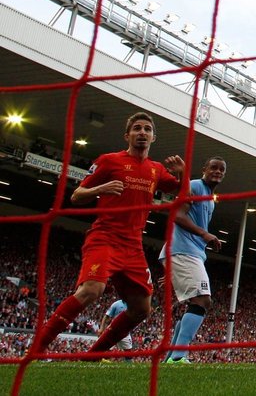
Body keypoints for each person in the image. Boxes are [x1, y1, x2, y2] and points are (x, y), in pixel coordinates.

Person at [29, 112, 184, 356]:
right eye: (137, 128)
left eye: (147, 129)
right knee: (92, 289)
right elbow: (76, 195)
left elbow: (183, 195)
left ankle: (94, 355)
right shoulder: (110, 161)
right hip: (105, 236)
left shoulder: (156, 170)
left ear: (153, 137)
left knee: (142, 309)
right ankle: (36, 349)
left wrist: (182, 174)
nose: (142, 132)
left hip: (133, 245)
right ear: (127, 135)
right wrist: (103, 188)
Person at [159, 156, 226, 363]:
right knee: (203, 300)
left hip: (190, 253)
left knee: (196, 303)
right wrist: (204, 234)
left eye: (221, 169)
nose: (217, 171)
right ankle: (178, 357)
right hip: (183, 251)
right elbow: (178, 216)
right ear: (204, 168)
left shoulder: (210, 199)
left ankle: (172, 355)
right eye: (213, 167)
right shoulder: (195, 187)